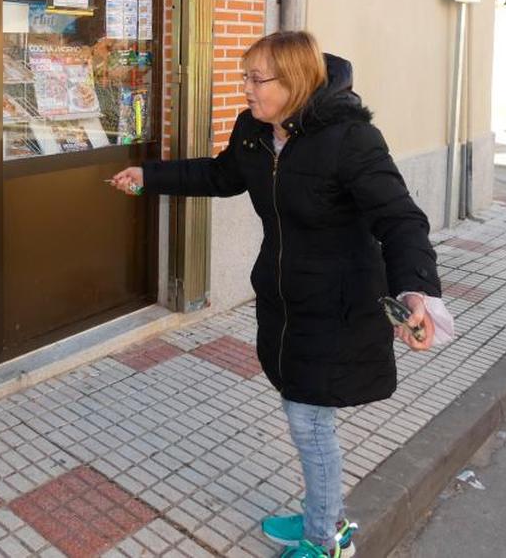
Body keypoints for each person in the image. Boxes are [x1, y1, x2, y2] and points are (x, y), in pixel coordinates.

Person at [111, 31, 451, 558]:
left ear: (293, 82)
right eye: (244, 75)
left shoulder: (350, 139)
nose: (244, 88)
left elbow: (400, 218)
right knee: (303, 411)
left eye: (255, 78)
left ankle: (326, 539)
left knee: (309, 421)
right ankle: (322, 515)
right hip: (284, 302)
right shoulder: (255, 130)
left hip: (338, 307)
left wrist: (417, 290)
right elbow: (221, 176)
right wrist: (149, 174)